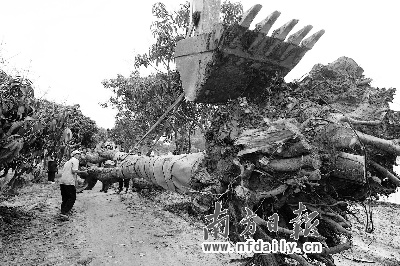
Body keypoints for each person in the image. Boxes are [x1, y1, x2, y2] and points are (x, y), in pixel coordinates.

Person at [57, 150, 87, 220]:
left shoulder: (68, 162)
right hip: (69, 181)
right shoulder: (75, 160)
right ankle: (64, 213)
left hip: (62, 181)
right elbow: (74, 171)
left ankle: (63, 211)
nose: (79, 156)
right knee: (72, 197)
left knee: (65, 198)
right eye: (78, 154)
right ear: (75, 155)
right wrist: (83, 172)